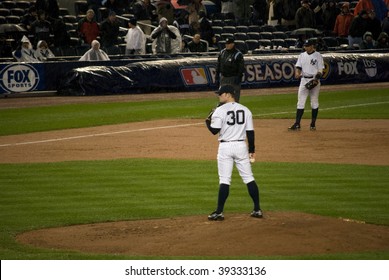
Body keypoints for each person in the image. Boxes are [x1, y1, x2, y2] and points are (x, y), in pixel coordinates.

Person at [205, 84, 263, 221]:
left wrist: (207, 121)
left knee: (224, 180)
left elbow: (214, 131)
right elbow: (250, 132)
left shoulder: (219, 110)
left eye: (220, 94)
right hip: (241, 146)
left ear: (228, 94)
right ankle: (257, 209)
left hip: (225, 147)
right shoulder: (246, 110)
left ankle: (219, 212)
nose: (219, 96)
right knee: (249, 178)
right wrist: (252, 150)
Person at [288, 39, 324, 131]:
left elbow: (320, 70)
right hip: (303, 80)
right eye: (305, 46)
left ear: (312, 46)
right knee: (300, 102)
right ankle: (297, 124)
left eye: (307, 46)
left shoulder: (318, 55)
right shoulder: (302, 55)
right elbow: (298, 67)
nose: (306, 47)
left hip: (314, 79)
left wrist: (316, 79)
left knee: (314, 102)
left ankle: (313, 124)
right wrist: (297, 73)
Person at [215, 37, 245, 102]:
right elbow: (219, 64)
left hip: (233, 78)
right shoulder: (222, 52)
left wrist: (239, 77)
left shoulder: (237, 54)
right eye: (226, 44)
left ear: (233, 44)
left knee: (234, 97)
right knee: (223, 96)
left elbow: (241, 67)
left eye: (228, 44)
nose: (227, 45)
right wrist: (217, 75)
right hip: (223, 78)